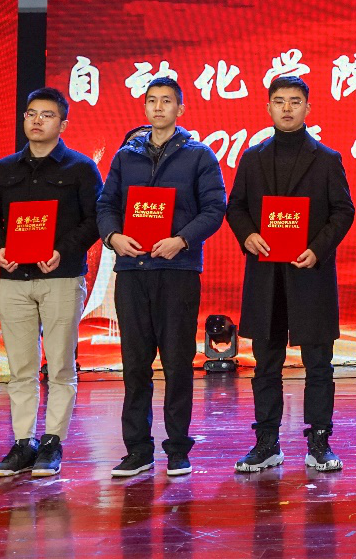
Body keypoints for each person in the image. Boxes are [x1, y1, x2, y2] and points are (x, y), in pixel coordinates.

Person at [96, 77, 226, 478]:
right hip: (132, 271)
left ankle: (178, 449)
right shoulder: (125, 157)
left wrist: (182, 240)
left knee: (177, 363)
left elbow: (215, 208)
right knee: (134, 365)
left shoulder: (199, 156)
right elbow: (106, 205)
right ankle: (138, 450)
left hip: (177, 271)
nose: (158, 107)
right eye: (151, 100)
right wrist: (113, 237)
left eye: (166, 101)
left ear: (180, 109)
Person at [226, 76, 355, 473]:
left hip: (310, 275)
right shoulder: (252, 158)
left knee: (319, 364)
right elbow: (236, 207)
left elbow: (343, 211)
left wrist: (317, 249)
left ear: (307, 109)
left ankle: (320, 442)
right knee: (266, 364)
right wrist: (248, 235)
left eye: (295, 101)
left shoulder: (327, 159)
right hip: (266, 277)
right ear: (268, 107)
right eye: (279, 101)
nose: (286, 108)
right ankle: (267, 442)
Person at [0, 87, 103, 478]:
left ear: (63, 124)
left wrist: (63, 250)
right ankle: (22, 443)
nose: (37, 120)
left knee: (60, 365)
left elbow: (95, 220)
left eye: (47, 115)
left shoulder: (81, 168)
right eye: (31, 113)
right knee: (21, 368)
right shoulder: (4, 168)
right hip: (13, 278)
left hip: (61, 277)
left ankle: (52, 442)